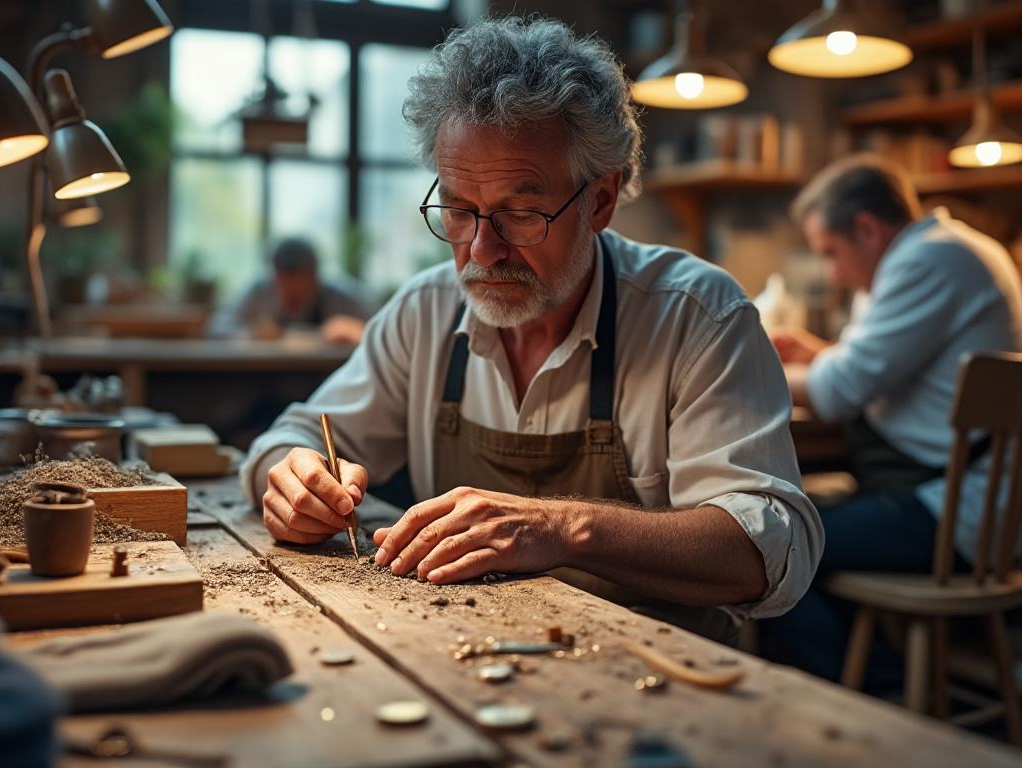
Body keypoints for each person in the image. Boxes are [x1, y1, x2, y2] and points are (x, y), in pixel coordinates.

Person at [242, 17, 821, 633]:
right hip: (472, 654)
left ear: (600, 200)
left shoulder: (695, 316)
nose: (482, 250)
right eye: (460, 212)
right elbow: (296, 435)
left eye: (520, 213)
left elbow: (769, 550)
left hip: (662, 669)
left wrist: (562, 529)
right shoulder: (426, 312)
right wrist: (295, 479)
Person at [766, 155, 1022, 683]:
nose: (833, 272)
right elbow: (878, 367)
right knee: (787, 520)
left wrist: (751, 368)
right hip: (938, 493)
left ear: (866, 229)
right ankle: (875, 678)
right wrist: (819, 353)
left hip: (950, 514)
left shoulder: (928, 262)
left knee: (770, 549)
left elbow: (839, 392)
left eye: (832, 253)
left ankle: (875, 694)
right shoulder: (946, 250)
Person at [208, 237, 370, 344]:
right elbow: (217, 327)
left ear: (315, 277)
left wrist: (355, 331)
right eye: (286, 283)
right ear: (275, 277)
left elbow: (377, 331)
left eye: (300, 282)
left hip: (325, 375)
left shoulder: (340, 296)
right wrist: (250, 334)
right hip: (265, 379)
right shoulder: (260, 292)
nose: (293, 292)